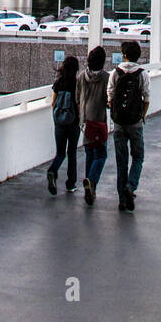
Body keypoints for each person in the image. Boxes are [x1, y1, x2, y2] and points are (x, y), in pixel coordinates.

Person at [108, 42, 149, 212]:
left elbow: (109, 96)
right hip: (135, 122)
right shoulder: (142, 74)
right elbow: (146, 98)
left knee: (121, 161)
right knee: (138, 157)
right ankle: (130, 187)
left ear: (124, 54)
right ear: (138, 55)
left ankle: (121, 200)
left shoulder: (115, 73)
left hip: (118, 122)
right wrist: (142, 116)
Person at [76, 46, 110, 206]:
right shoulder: (106, 77)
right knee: (101, 154)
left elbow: (77, 98)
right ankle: (92, 181)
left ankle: (89, 190)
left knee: (90, 154)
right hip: (99, 120)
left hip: (86, 121)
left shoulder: (82, 76)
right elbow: (108, 100)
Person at [47, 55, 81, 195]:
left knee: (60, 153)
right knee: (72, 153)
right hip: (73, 123)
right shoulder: (77, 83)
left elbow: (53, 103)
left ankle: (52, 171)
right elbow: (78, 104)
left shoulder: (58, 82)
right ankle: (70, 184)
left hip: (59, 123)